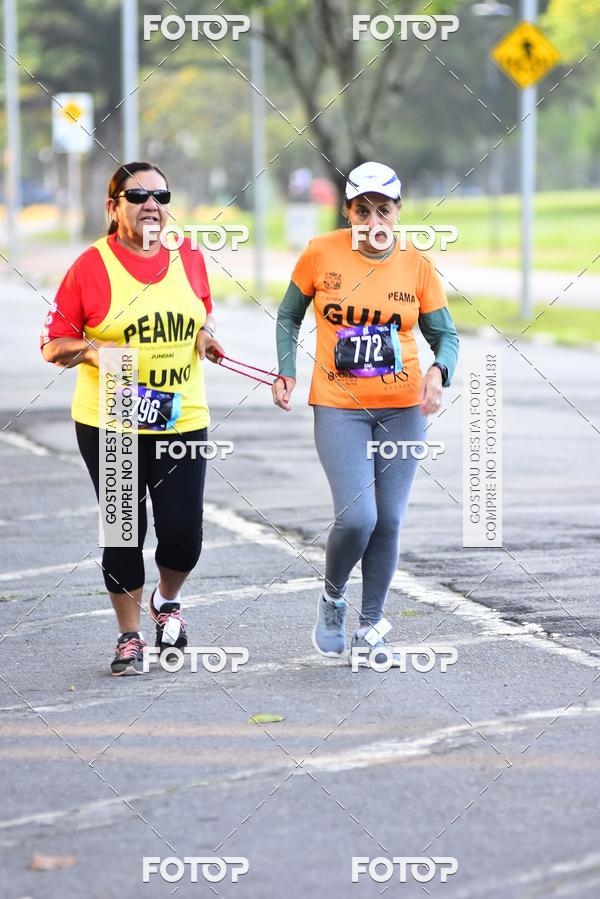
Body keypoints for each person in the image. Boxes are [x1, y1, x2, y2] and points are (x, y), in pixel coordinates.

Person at [272, 161, 459, 666]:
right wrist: (286, 368)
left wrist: (439, 373)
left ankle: (372, 624)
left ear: (398, 213)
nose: (373, 219)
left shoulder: (417, 265)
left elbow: (446, 335)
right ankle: (333, 598)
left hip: (402, 408)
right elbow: (289, 314)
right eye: (362, 209)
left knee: (390, 520)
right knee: (358, 517)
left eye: (384, 209)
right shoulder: (320, 253)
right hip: (339, 406)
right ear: (348, 211)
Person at [41, 161, 223, 676]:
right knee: (124, 530)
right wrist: (96, 352)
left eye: (160, 195)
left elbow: (201, 313)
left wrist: (206, 338)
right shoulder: (91, 266)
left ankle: (167, 600)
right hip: (114, 414)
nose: (151, 204)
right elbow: (53, 344)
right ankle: (129, 636)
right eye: (138, 195)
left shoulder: (186, 254)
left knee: (183, 533)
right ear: (112, 205)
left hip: (181, 415)